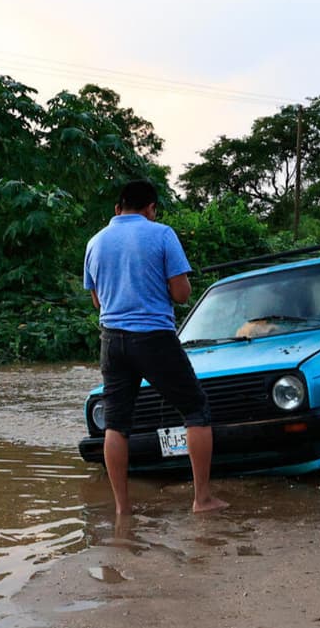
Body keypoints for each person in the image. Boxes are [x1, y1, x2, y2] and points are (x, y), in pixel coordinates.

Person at [83, 179, 228, 515]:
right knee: (195, 410)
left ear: (117, 209)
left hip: (112, 340)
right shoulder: (161, 233)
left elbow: (96, 300)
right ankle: (202, 499)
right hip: (154, 337)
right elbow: (180, 293)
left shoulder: (95, 242)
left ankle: (122, 508)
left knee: (116, 424)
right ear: (150, 208)